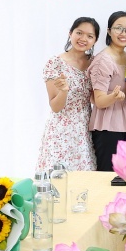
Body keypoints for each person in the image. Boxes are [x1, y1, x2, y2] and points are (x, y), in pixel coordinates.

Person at [36, 17, 100, 172]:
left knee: (84, 179)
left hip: (85, 130)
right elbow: (55, 107)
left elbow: (94, 98)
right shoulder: (55, 63)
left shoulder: (95, 63)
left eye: (90, 36)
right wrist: (64, 91)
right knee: (58, 178)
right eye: (79, 33)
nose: (83, 39)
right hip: (61, 131)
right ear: (70, 33)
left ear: (95, 40)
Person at [88, 11, 126, 171]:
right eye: (118, 28)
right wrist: (114, 96)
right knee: (107, 176)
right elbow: (99, 100)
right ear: (109, 31)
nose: (124, 33)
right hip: (108, 128)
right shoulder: (103, 60)